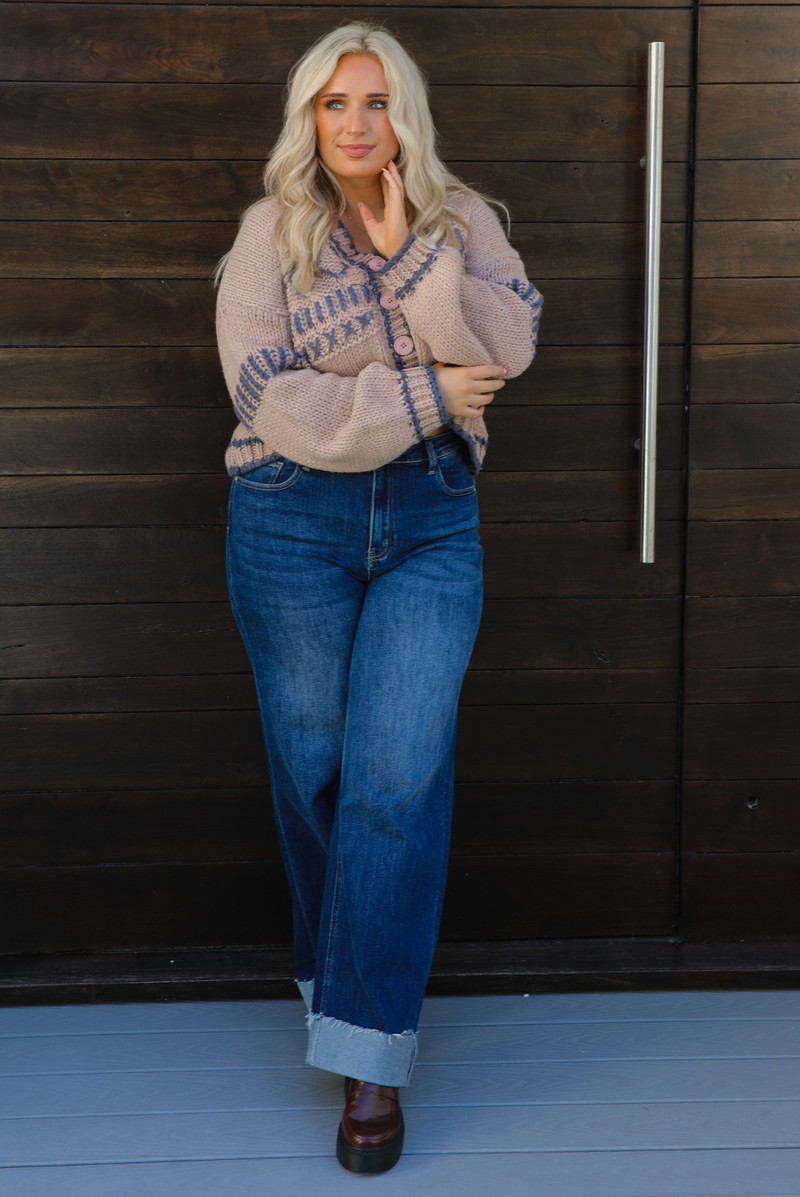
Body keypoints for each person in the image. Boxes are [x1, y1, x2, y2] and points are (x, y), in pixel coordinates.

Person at [216, 21, 541, 1175]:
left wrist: (411, 254)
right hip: (288, 524)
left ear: (406, 113)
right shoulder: (270, 237)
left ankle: (367, 1062)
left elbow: (501, 353)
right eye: (332, 105)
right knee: (316, 768)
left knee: (395, 780)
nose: (354, 126)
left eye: (375, 103)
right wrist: (424, 392)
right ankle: (342, 973)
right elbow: (277, 406)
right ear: (308, 119)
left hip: (431, 524)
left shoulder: (468, 226)